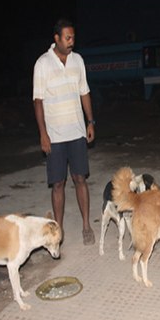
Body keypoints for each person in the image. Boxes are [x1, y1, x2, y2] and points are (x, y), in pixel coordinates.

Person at [34, 18, 96, 245]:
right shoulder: (42, 64)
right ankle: (58, 231)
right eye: (67, 38)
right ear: (56, 39)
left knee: (80, 179)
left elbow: (84, 92)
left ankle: (87, 226)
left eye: (73, 37)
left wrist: (91, 121)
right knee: (58, 183)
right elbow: (38, 101)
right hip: (55, 135)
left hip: (77, 131)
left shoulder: (78, 60)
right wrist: (43, 134)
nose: (72, 42)